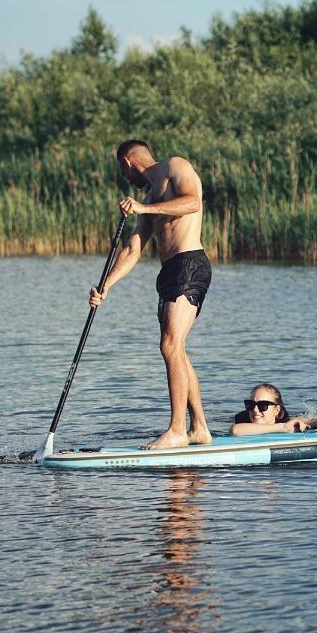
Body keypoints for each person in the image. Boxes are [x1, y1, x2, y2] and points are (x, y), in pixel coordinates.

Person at [89, 139, 212, 450]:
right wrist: (106, 286)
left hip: (189, 264)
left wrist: (144, 208)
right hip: (169, 272)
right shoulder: (148, 196)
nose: (125, 177)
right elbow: (132, 250)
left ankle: (176, 431)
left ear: (129, 162)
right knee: (177, 350)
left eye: (122, 170)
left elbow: (193, 202)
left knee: (170, 346)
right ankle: (198, 428)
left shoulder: (175, 166)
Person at [230, 383, 317, 437]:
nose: (255, 410)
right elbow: (235, 430)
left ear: (276, 410)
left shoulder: (288, 421)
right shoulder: (244, 422)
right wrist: (283, 428)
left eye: (262, 405)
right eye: (251, 404)